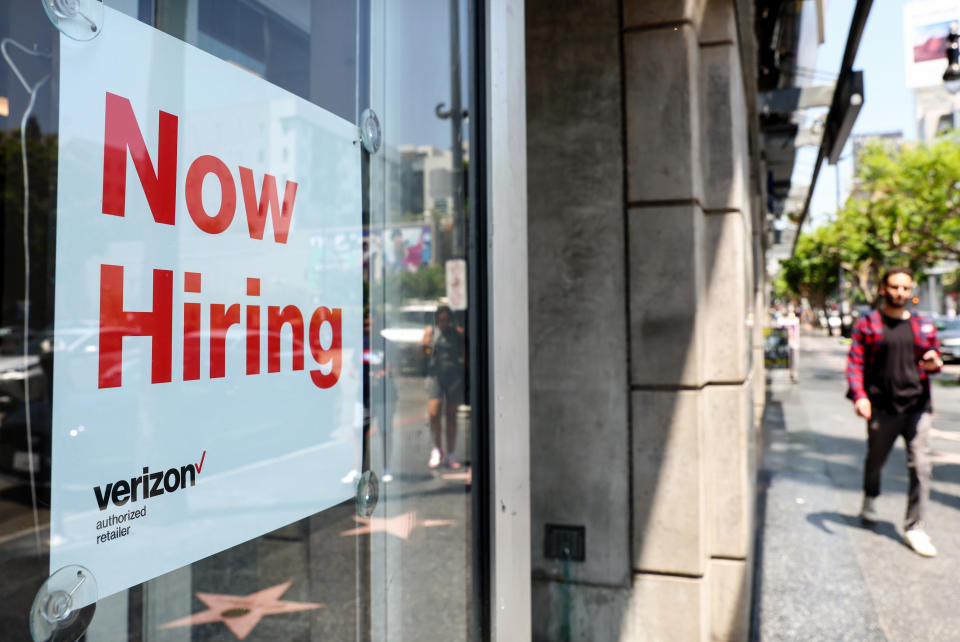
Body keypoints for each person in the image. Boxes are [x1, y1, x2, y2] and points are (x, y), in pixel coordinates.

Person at [846, 267, 942, 557]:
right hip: (882, 407)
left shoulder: (923, 325)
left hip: (917, 406)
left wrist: (932, 363)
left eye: (905, 287)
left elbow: (934, 359)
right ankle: (870, 496)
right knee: (876, 459)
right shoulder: (868, 324)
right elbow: (855, 363)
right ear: (883, 289)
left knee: (921, 466)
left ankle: (915, 527)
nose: (900, 292)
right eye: (895, 287)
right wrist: (860, 396)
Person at [422, 305, 464, 469]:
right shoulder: (431, 333)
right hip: (435, 376)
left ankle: (450, 452)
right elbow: (420, 354)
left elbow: (464, 352)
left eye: (446, 320)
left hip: (453, 376)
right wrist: (424, 342)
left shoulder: (456, 333)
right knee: (434, 413)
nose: (443, 323)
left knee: (451, 416)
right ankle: (437, 447)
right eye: (440, 320)